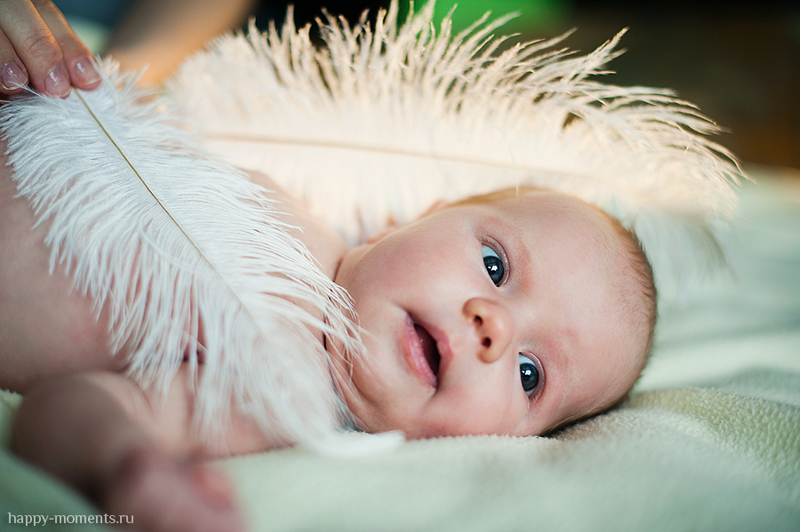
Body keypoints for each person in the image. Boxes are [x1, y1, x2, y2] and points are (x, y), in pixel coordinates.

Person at [0, 2, 656, 531]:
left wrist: (124, 463)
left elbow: (70, 407)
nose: (495, 327)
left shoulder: (285, 396)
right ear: (410, 219)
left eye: (530, 373)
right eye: (494, 263)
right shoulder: (296, 206)